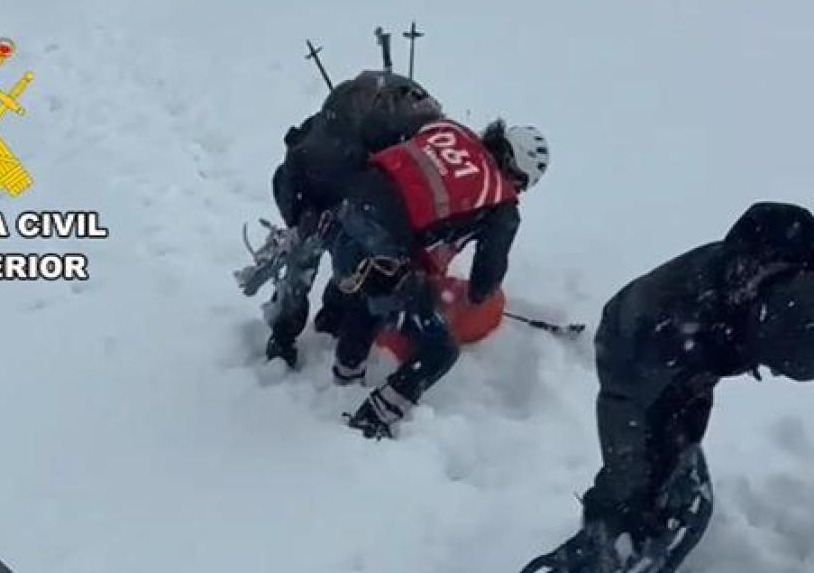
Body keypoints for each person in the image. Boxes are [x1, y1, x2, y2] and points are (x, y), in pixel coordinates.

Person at [521, 202, 814, 573]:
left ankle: (638, 516)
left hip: (681, 348)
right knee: (636, 482)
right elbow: (792, 348)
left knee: (669, 455)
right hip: (638, 354)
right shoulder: (787, 308)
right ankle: (595, 552)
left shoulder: (777, 267)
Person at [324, 116, 550, 436]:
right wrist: (469, 295)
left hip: (345, 209)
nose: (519, 192)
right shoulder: (501, 203)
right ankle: (373, 420)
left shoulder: (448, 130)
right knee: (439, 349)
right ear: (516, 171)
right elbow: (484, 284)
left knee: (372, 285)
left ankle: (344, 375)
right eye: (522, 184)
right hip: (383, 244)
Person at [264, 70, 445, 367]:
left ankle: (317, 323)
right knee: (332, 260)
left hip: (308, 181)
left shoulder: (362, 108)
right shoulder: (385, 144)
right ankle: (290, 334)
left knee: (334, 260)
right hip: (315, 191)